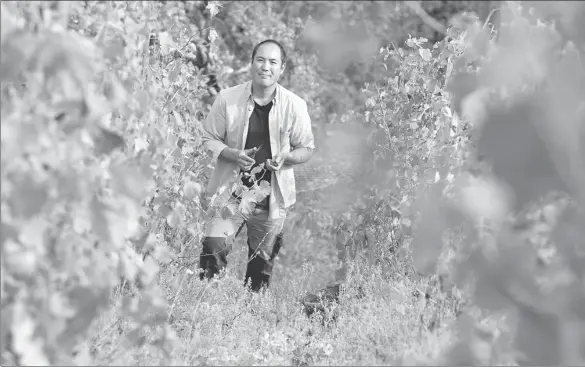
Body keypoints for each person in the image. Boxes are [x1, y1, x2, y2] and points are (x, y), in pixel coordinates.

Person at [199, 39, 315, 292]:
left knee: (260, 267)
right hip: (231, 193)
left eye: (273, 62)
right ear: (251, 63)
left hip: (271, 197)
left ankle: (249, 316)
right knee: (213, 247)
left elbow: (306, 149)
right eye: (260, 60)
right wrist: (232, 153)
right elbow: (208, 139)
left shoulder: (295, 105)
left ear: (282, 68)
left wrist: (287, 158)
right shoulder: (227, 99)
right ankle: (204, 306)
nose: (266, 66)